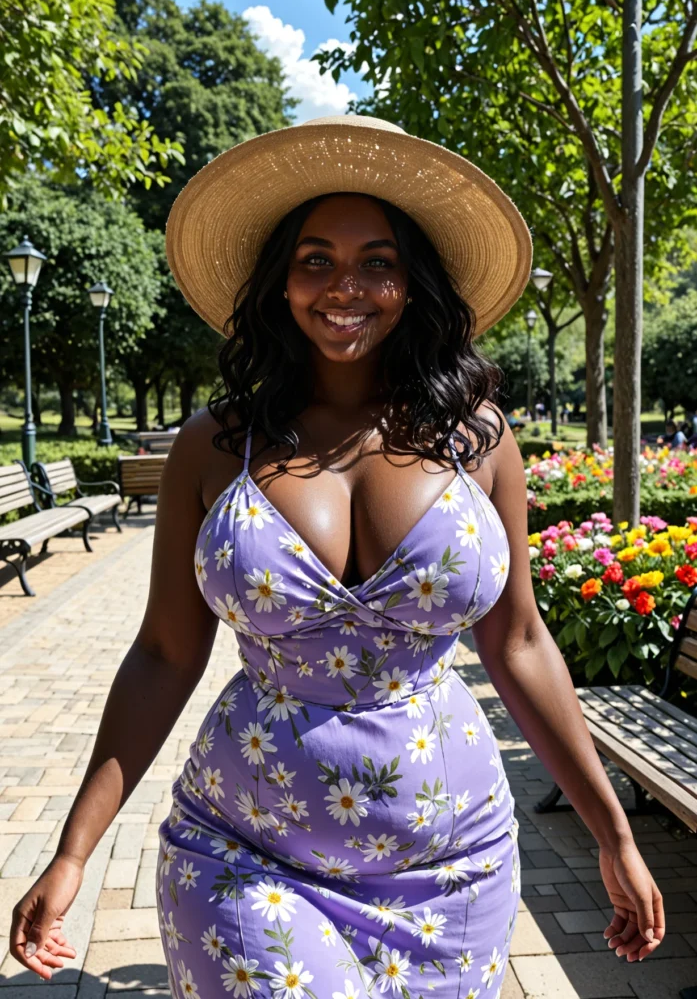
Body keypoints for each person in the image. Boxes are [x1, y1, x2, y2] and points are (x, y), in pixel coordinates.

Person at [10, 115, 664, 994]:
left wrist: (611, 834)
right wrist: (72, 851)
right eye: (314, 258)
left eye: (376, 262)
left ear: (411, 283)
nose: (343, 285)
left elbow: (518, 645)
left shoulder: (479, 441)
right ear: (279, 282)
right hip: (245, 856)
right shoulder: (216, 448)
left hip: (452, 867)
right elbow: (165, 653)